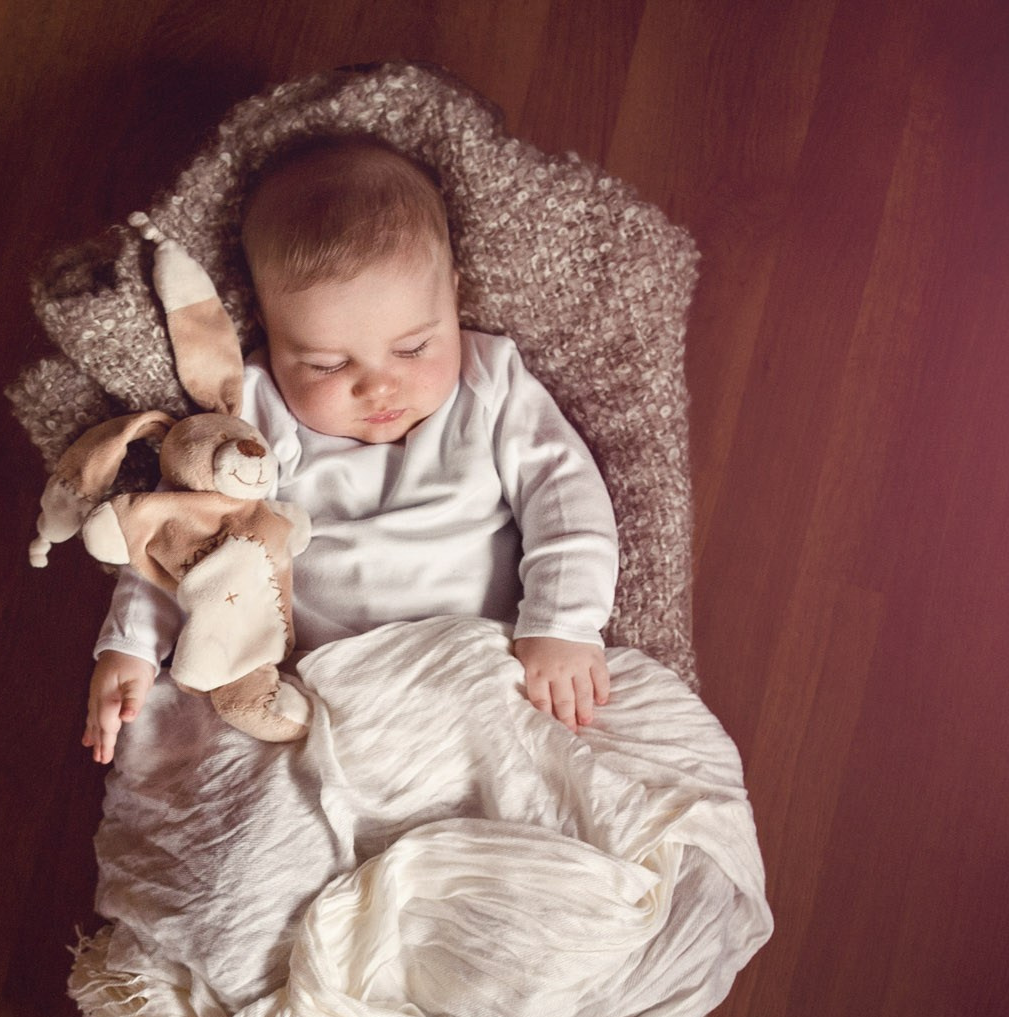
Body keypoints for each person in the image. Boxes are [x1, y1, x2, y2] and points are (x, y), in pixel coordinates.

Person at [82, 133, 620, 763]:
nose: (377, 385)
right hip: (319, 688)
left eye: (414, 348)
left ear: (453, 292)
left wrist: (561, 623)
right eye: (327, 364)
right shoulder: (256, 415)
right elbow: (187, 541)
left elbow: (567, 498)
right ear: (270, 332)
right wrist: (131, 645)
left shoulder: (491, 383)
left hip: (485, 664)